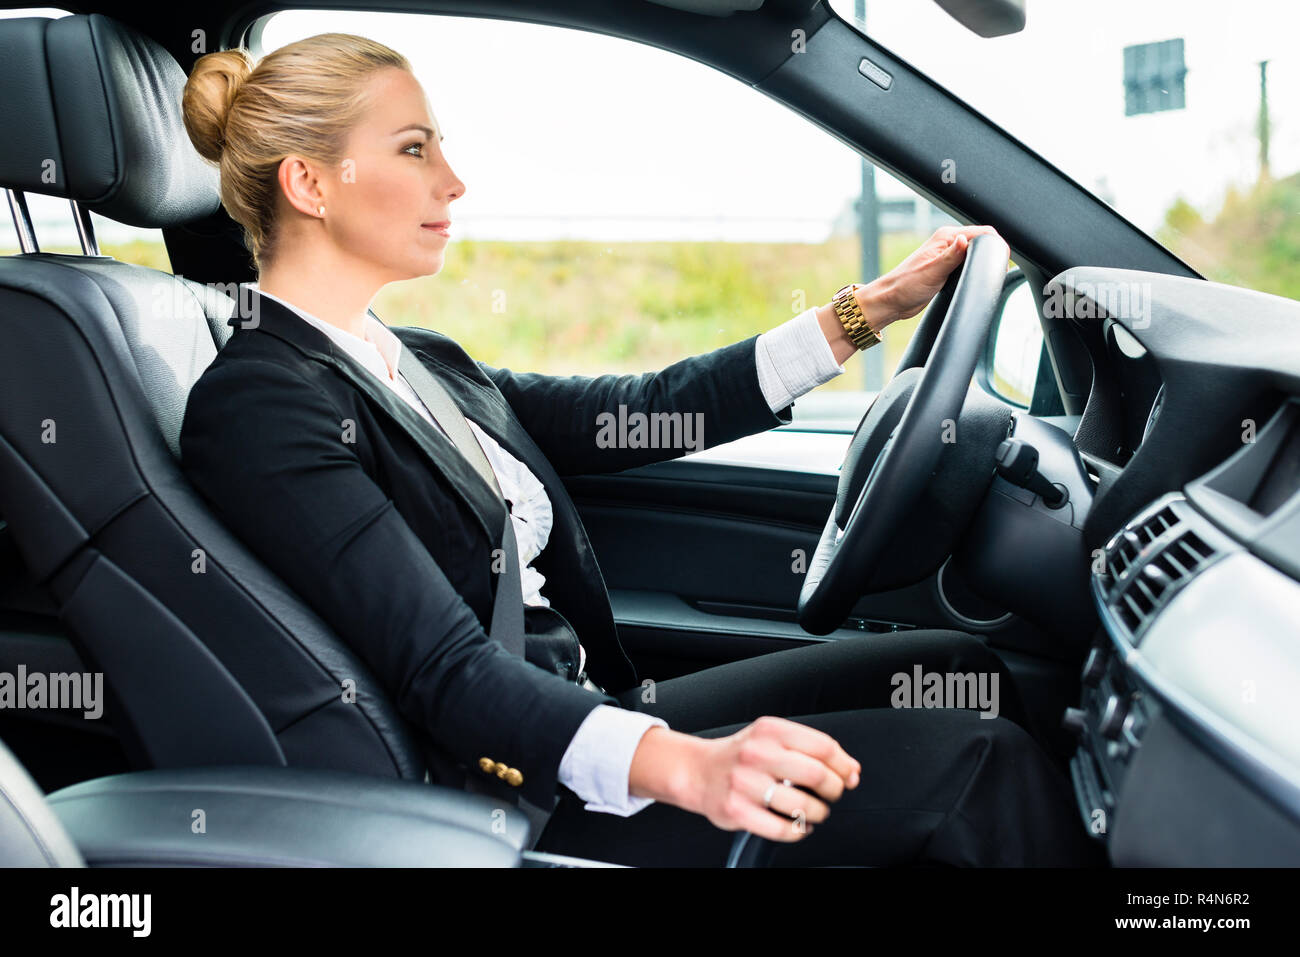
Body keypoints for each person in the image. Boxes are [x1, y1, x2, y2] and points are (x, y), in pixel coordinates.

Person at [177, 33, 1099, 867]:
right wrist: (689, 769)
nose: (453, 181)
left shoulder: (411, 357)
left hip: (590, 709)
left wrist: (869, 312)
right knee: (983, 766)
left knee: (949, 677)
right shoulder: (263, 405)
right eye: (415, 149)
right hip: (519, 790)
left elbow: (644, 408)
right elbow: (446, 669)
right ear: (309, 183)